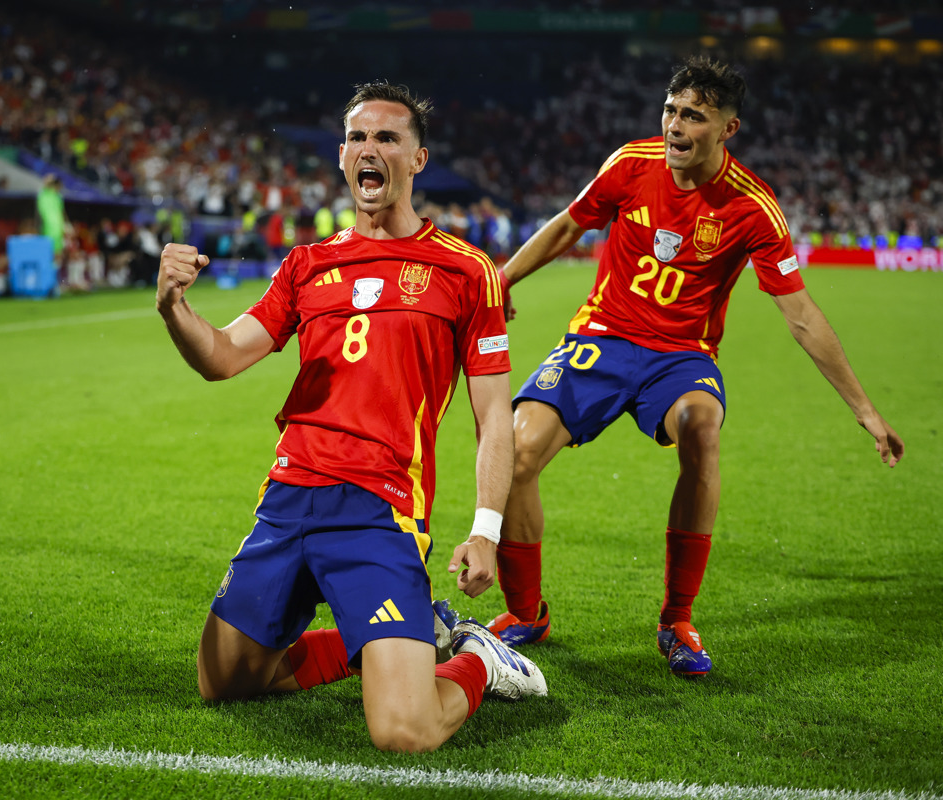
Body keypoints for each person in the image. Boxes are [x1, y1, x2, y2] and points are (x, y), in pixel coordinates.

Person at [156, 81, 547, 753]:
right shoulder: (307, 265)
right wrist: (174, 309)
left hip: (379, 509)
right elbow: (221, 356)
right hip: (288, 500)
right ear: (342, 157)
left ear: (417, 160)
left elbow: (493, 418)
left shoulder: (466, 272)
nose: (372, 151)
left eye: (388, 138)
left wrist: (485, 531)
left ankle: (480, 658)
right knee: (224, 680)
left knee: (404, 731)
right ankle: (402, 638)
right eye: (359, 139)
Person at [490, 56, 905, 676]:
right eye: (671, 111)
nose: (676, 126)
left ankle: (677, 619)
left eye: (694, 116)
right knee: (518, 451)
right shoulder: (632, 164)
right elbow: (568, 226)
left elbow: (801, 316)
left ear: (726, 129)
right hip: (602, 336)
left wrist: (866, 411)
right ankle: (526, 613)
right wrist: (501, 277)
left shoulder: (752, 208)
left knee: (703, 429)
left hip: (682, 356)